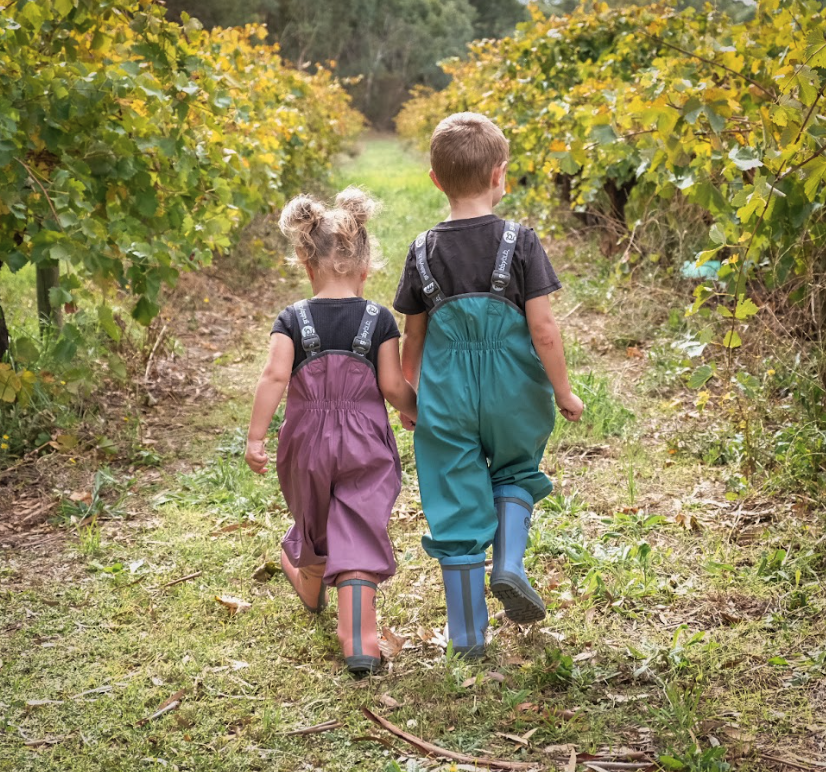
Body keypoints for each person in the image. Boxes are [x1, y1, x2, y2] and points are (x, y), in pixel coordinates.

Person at [394, 112, 584, 658]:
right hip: (513, 387)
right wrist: (564, 391)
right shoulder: (519, 241)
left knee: (453, 498)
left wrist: (412, 396)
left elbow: (415, 334)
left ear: (435, 180)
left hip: (447, 391)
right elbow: (544, 330)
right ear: (501, 174)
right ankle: (508, 563)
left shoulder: (423, 247)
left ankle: (469, 638)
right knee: (516, 470)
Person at [246, 187, 417, 675]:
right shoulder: (378, 319)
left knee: (315, 523)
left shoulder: (292, 319)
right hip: (364, 441)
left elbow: (274, 376)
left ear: (306, 264)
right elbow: (392, 386)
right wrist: (418, 413)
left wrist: (257, 437)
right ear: (365, 269)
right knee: (358, 525)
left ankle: (307, 575)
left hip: (305, 443)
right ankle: (359, 640)